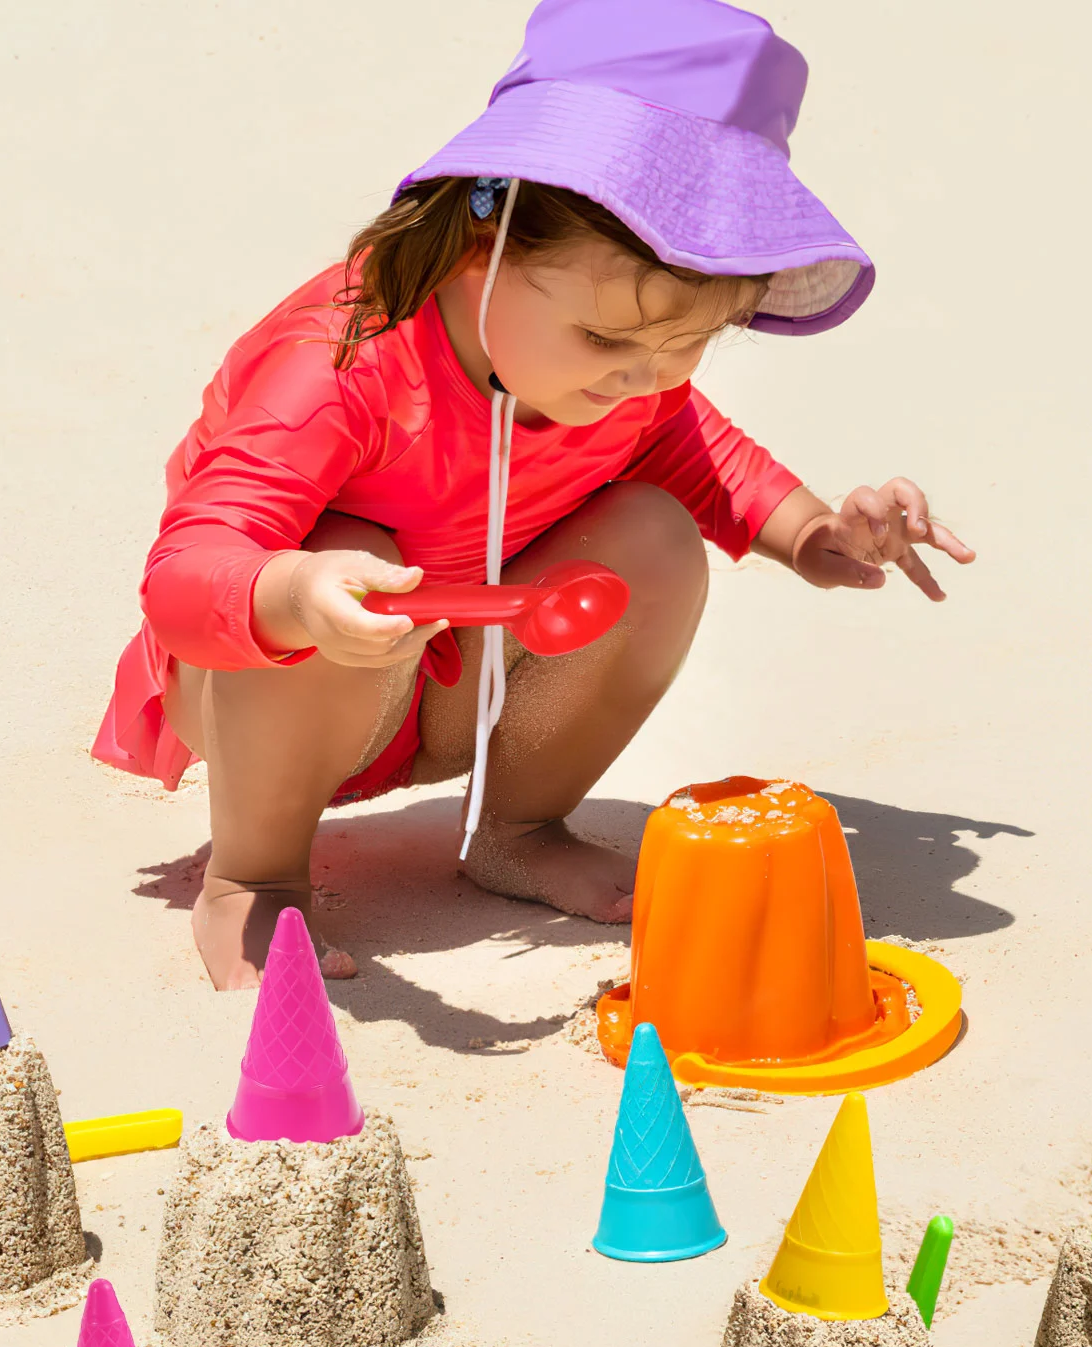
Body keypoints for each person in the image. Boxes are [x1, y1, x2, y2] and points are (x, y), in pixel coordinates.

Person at [92, 0, 975, 990]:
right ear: (484, 244)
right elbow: (183, 575)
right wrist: (296, 592)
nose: (646, 375)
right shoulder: (339, 362)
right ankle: (251, 880)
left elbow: (707, 462)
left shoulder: (623, 376)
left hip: (463, 685)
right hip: (274, 697)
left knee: (654, 530)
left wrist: (822, 535)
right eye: (608, 340)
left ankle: (517, 826)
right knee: (344, 539)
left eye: (687, 342)